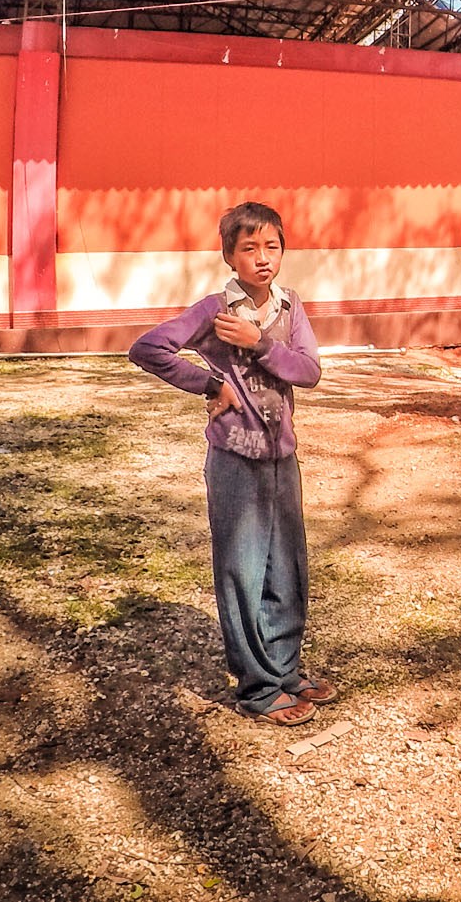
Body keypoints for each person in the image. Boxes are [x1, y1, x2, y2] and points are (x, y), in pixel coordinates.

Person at [128, 201, 330, 726]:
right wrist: (211, 383)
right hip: (234, 460)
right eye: (250, 249)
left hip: (282, 459)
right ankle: (258, 688)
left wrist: (260, 344)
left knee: (287, 568)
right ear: (229, 256)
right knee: (243, 571)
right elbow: (148, 349)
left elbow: (308, 371)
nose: (263, 259)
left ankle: (285, 670)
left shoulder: (290, 308)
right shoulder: (214, 311)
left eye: (273, 247)